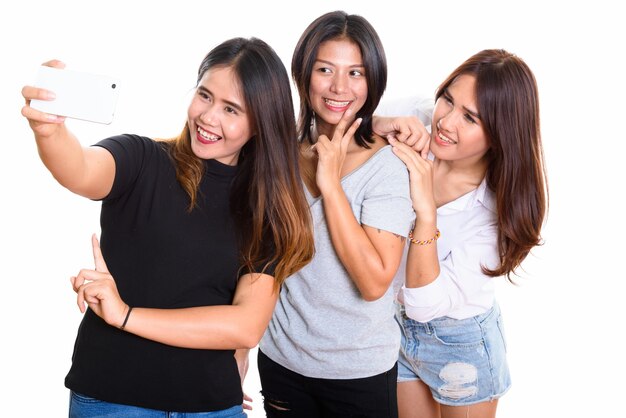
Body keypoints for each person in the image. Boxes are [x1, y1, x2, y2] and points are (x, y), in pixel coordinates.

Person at [20, 37, 314, 417]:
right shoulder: (142, 159)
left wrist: (125, 315)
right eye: (205, 96)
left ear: (260, 124)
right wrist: (50, 132)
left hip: (210, 407)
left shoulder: (266, 209)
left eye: (231, 109)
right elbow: (80, 169)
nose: (209, 117)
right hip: (114, 401)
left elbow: (245, 325)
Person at [256, 10, 415, 418]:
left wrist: (331, 187)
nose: (339, 87)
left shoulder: (388, 164)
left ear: (372, 81)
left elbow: (374, 281)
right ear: (304, 74)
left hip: (359, 374)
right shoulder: (282, 153)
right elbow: (260, 265)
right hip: (282, 364)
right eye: (325, 69)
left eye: (356, 73)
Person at [384, 49, 548, 418]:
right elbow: (342, 122)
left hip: (460, 342)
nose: (445, 121)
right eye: (448, 100)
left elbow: (425, 305)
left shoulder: (493, 212)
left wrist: (426, 213)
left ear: (499, 133)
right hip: (394, 327)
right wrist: (381, 125)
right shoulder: (417, 119)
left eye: (470, 118)